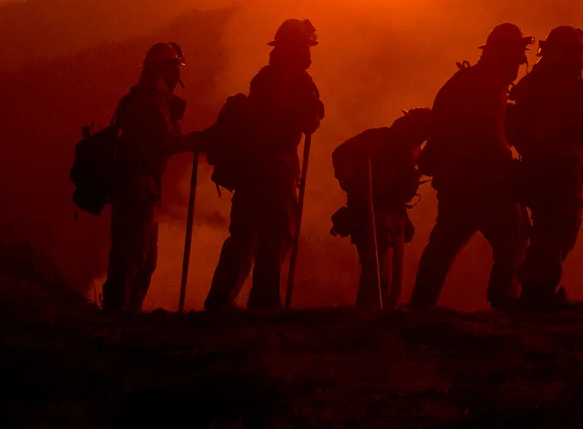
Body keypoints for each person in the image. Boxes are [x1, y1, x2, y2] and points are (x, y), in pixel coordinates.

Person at [409, 24, 533, 310]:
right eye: (517, 59)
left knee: (443, 245)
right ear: (505, 56)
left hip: (454, 181)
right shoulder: (490, 85)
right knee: (513, 239)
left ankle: (421, 305)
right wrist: (510, 167)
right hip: (485, 183)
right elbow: (489, 134)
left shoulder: (461, 80)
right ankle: (504, 299)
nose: (518, 66)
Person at [205, 19, 324, 311]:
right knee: (274, 236)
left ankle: (220, 299)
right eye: (306, 45)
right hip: (277, 171)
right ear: (297, 46)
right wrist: (318, 110)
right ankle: (264, 304)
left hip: (250, 170)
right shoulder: (298, 80)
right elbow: (308, 122)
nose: (309, 52)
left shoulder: (264, 77)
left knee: (243, 236)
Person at [509, 26, 583, 308]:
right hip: (563, 173)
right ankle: (538, 294)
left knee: (544, 229)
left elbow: (513, 124)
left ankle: (533, 290)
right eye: (579, 53)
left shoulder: (530, 85)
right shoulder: (575, 90)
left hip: (533, 168)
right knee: (559, 230)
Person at [103, 42, 194, 313]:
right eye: (174, 69)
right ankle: (118, 312)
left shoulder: (142, 98)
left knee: (143, 257)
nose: (177, 76)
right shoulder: (151, 102)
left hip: (139, 185)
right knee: (132, 254)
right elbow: (166, 142)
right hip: (138, 185)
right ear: (165, 71)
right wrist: (198, 137)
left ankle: (127, 312)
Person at [330, 109, 434, 310]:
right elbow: (341, 153)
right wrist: (352, 183)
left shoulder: (413, 151)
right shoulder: (378, 138)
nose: (421, 137)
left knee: (394, 279)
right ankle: (368, 314)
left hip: (395, 215)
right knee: (377, 272)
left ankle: (386, 315)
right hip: (372, 210)